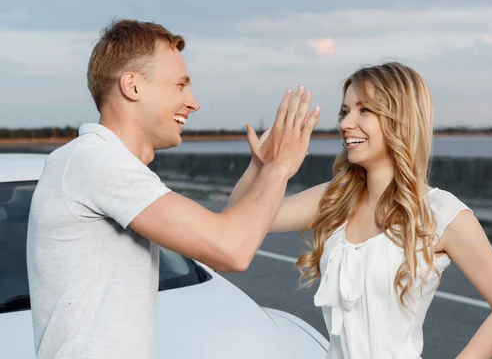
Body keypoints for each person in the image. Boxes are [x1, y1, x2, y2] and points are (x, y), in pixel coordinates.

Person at [25, 19, 320, 359]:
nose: (193, 102)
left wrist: (262, 167)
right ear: (132, 86)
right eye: (180, 85)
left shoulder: (100, 165)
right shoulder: (94, 162)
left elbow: (226, 229)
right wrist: (281, 168)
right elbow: (231, 249)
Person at [228, 62, 492, 358]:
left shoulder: (441, 212)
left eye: (365, 110)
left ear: (400, 119)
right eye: (345, 112)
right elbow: (238, 221)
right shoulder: (333, 198)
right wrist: (262, 164)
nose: (345, 124)